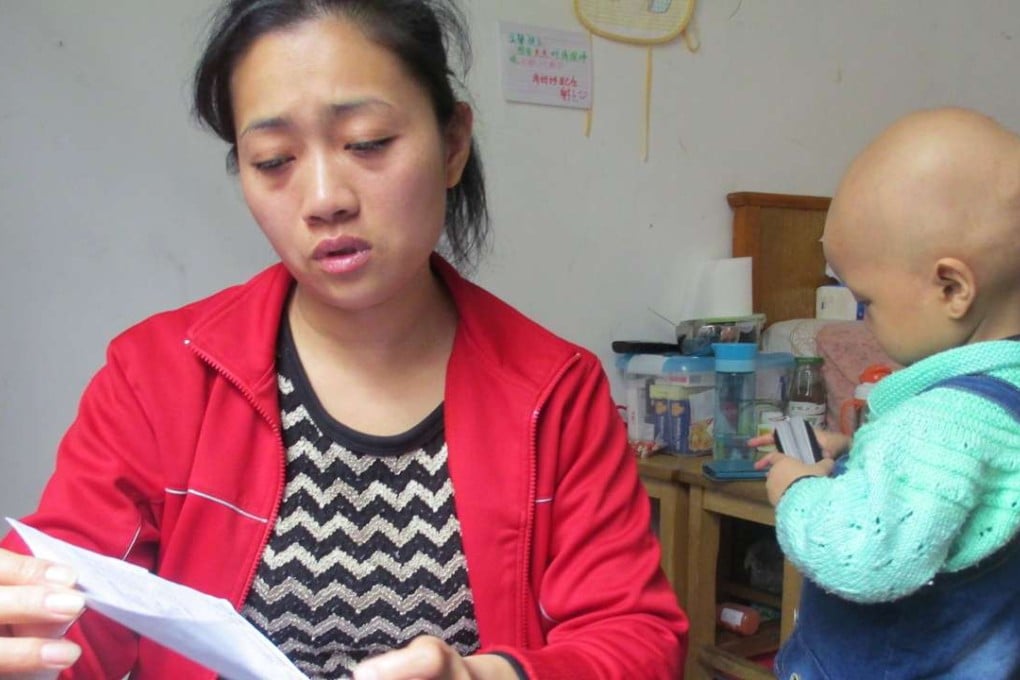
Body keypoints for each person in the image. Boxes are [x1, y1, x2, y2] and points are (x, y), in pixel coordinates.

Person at [0, 1, 688, 678]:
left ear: (452, 145)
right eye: (273, 160)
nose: (324, 197)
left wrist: (485, 677)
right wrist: (22, 639)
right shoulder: (158, 376)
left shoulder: (554, 391)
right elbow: (72, 614)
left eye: (366, 143)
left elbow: (635, 641)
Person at [754, 107, 1020, 679]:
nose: (862, 317)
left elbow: (864, 554)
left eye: (866, 300)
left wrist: (799, 489)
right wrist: (852, 455)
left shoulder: (940, 421)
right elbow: (955, 498)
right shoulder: (995, 402)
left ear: (952, 287)